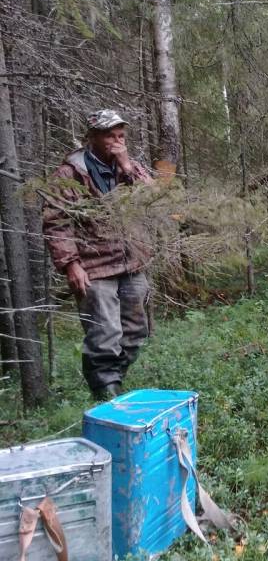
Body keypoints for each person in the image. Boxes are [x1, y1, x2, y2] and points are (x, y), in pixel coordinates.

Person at [42, 110, 153, 401]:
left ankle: (113, 384)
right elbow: (56, 222)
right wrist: (70, 264)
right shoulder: (69, 173)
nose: (116, 142)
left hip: (132, 262)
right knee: (105, 336)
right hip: (94, 267)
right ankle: (107, 397)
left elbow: (152, 200)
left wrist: (127, 166)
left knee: (136, 332)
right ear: (91, 136)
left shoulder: (129, 167)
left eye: (120, 136)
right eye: (109, 135)